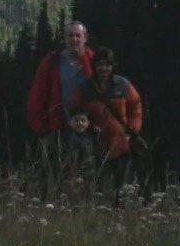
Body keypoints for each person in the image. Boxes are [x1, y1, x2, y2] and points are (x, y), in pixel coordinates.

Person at [26, 21, 96, 174]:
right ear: (64, 38)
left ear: (86, 38)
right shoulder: (51, 61)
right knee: (53, 172)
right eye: (70, 35)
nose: (74, 39)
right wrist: (40, 126)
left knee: (88, 172)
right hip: (57, 128)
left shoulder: (95, 61)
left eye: (78, 35)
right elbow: (38, 94)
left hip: (87, 129)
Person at [76, 46, 144, 165]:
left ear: (113, 66)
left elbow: (136, 108)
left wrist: (132, 131)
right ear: (94, 66)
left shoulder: (123, 85)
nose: (103, 68)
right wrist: (87, 127)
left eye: (107, 65)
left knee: (121, 181)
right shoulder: (85, 88)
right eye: (100, 65)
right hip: (93, 145)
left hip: (121, 143)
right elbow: (75, 110)